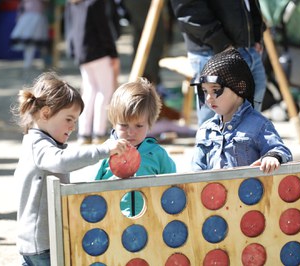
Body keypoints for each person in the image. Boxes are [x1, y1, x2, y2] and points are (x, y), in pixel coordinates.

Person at [11, 72, 130, 266]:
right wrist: (103, 150)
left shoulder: (38, 143)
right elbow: (62, 161)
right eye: (69, 119)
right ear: (46, 113)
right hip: (43, 244)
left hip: (37, 243)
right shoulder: (39, 146)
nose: (73, 126)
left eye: (75, 121)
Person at [191, 49, 292, 174]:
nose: (208, 98)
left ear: (240, 87)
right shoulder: (205, 130)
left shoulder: (258, 125)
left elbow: (280, 149)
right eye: (205, 91)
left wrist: (272, 157)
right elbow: (196, 169)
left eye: (215, 90)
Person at [170, 0, 267, 126]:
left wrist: (256, 34)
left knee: (250, 127)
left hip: (248, 48)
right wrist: (221, 43)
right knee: (213, 132)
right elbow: (188, 9)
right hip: (211, 50)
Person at [95, 77, 176, 217]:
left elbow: (174, 187)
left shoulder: (158, 154)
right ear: (114, 123)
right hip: (114, 223)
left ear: (150, 124)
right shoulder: (104, 152)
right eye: (124, 125)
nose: (131, 132)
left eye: (139, 125)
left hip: (151, 221)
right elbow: (90, 190)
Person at [64, 0, 120, 145]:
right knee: (104, 92)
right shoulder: (94, 2)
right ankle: (99, 132)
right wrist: (113, 52)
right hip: (98, 52)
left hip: (82, 52)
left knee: (89, 92)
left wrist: (73, 51)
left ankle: (84, 133)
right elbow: (103, 27)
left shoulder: (72, 3)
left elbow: (69, 27)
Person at [10, 0, 49, 73]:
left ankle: (44, 62)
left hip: (37, 17)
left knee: (35, 43)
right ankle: (28, 63)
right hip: (27, 18)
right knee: (28, 43)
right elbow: (22, 5)